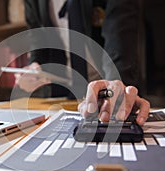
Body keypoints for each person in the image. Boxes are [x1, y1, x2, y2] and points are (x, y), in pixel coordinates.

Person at [15, 0, 150, 125]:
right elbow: (38, 42)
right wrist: (33, 69)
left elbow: (119, 39)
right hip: (61, 96)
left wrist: (115, 85)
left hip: (103, 93)